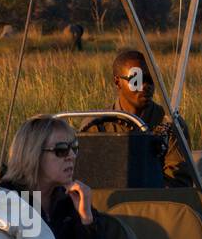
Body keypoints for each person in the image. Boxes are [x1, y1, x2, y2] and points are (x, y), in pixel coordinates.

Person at [0, 115, 108, 239]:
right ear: (33, 154)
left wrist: (87, 220)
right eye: (61, 150)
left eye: (74, 148)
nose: (71, 156)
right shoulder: (5, 199)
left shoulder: (70, 201)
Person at [80, 48, 195, 187]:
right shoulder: (97, 126)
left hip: (156, 200)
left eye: (151, 79)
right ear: (117, 82)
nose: (146, 86)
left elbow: (178, 182)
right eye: (137, 79)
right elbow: (87, 179)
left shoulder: (170, 124)